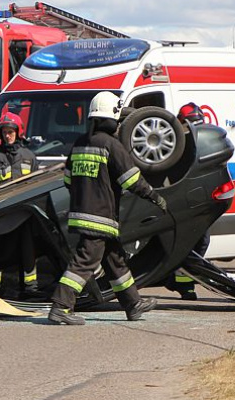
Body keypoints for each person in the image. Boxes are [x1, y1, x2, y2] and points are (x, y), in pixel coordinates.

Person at [48, 91, 167, 325]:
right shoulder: (112, 145)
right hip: (100, 216)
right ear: (112, 117)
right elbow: (132, 181)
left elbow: (69, 180)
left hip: (84, 213)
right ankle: (60, 307)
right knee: (85, 261)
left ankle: (133, 305)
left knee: (115, 260)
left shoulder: (80, 144)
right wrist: (155, 197)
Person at [0, 112, 41, 297]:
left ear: (18, 132)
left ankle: (30, 289)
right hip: (2, 216)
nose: (7, 136)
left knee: (28, 252)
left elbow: (38, 187)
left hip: (26, 216)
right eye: (4, 132)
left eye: (11, 132)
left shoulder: (29, 156)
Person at [166, 103, 210, 300]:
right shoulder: (176, 143)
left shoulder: (204, 143)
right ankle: (184, 286)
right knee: (188, 243)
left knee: (201, 242)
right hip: (183, 201)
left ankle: (181, 280)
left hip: (201, 200)